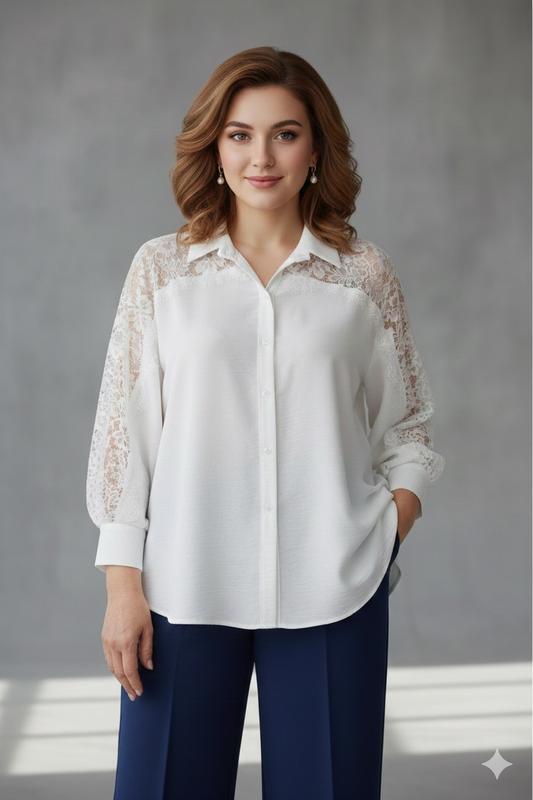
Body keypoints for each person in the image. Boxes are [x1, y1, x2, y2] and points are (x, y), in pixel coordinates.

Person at [85, 46, 445, 800]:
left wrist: (386, 528)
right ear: (215, 148)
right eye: (240, 134)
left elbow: (408, 424)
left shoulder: (362, 275)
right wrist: (123, 588)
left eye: (285, 133)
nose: (261, 157)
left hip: (334, 587)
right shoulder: (162, 271)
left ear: (315, 149)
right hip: (181, 586)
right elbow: (125, 435)